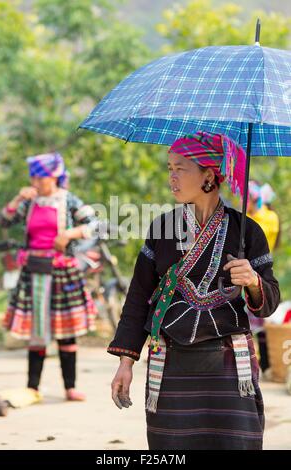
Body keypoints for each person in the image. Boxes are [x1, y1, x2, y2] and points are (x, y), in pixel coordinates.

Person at [108, 131, 280, 450]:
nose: (172, 177)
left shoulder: (248, 231)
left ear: (208, 176)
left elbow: (268, 302)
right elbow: (137, 300)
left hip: (228, 364)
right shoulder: (161, 229)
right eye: (169, 168)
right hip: (173, 362)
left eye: (181, 168)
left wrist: (253, 281)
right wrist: (126, 361)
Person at [0, 152, 98, 401]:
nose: (35, 182)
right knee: (37, 329)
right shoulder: (29, 202)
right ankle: (33, 386)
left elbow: (94, 224)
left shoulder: (68, 200)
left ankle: (70, 387)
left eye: (40, 177)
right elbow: (5, 219)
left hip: (62, 272)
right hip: (34, 272)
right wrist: (18, 197)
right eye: (33, 177)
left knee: (66, 329)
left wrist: (70, 234)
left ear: (54, 176)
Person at [247, 181, 280, 376]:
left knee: (260, 322)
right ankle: (260, 363)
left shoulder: (268, 217)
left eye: (248, 198)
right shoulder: (254, 216)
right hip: (248, 271)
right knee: (255, 324)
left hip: (260, 271)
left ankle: (262, 364)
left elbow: (258, 235)